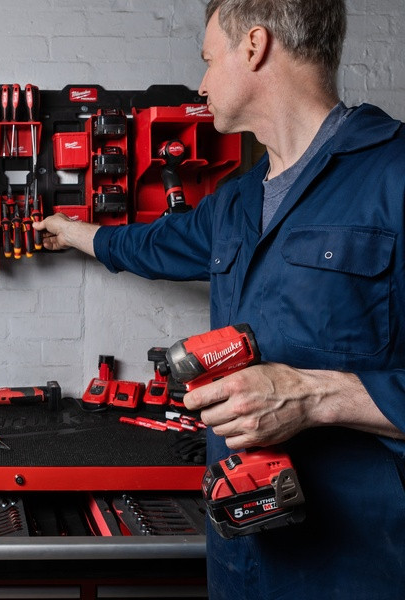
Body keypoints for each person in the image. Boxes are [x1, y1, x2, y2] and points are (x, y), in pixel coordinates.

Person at [34, 0, 405, 598]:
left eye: (208, 60)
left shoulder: (395, 175)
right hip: (240, 553)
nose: (202, 84)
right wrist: (73, 232)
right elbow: (152, 246)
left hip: (358, 566)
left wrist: (317, 396)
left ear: (255, 46)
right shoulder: (236, 200)